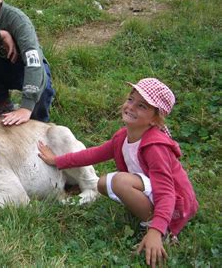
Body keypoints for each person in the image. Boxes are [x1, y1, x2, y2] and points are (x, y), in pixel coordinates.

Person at [37, 78, 198, 267]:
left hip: (176, 204)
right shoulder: (124, 136)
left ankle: (163, 229)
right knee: (102, 184)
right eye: (131, 100)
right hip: (154, 191)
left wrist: (157, 230)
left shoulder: (155, 147)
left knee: (119, 182)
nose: (131, 107)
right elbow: (92, 155)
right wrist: (57, 160)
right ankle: (151, 217)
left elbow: (167, 192)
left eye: (142, 106)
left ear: (155, 119)